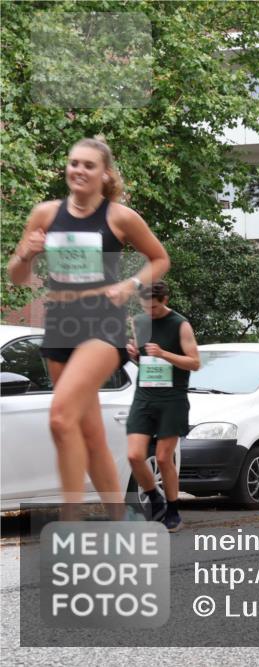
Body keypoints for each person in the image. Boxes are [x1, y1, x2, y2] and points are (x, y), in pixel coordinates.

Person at [7, 137, 169, 516]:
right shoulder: (45, 214)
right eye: (73, 163)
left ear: (104, 174)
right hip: (60, 322)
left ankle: (71, 517)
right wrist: (25, 254)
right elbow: (16, 277)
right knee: (90, 435)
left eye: (88, 165)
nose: (78, 170)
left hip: (102, 323)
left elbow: (159, 258)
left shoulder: (119, 217)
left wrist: (129, 285)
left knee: (61, 417)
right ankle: (120, 519)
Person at [126, 282, 200, 531]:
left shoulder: (181, 324)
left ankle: (173, 511)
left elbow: (194, 363)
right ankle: (155, 499)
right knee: (134, 455)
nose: (150, 311)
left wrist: (165, 354)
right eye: (145, 306)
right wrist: (135, 355)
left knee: (163, 458)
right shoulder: (139, 322)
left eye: (155, 307)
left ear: (165, 299)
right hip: (144, 395)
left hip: (172, 399)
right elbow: (145, 359)